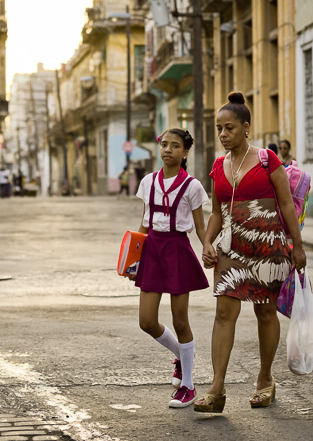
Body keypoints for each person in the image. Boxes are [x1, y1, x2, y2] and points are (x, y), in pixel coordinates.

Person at [197, 91, 306, 413]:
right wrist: (206, 242)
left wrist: (297, 246)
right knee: (223, 314)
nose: (223, 134)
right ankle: (217, 388)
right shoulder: (218, 165)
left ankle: (264, 379)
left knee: (264, 312)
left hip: (268, 246)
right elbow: (216, 212)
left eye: (229, 128)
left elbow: (286, 203)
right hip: (231, 248)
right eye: (219, 128)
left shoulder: (266, 160)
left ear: (246, 127)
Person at [133, 128, 210, 408]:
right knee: (146, 321)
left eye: (175, 146)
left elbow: (201, 227)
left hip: (177, 250)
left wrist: (208, 246)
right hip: (152, 249)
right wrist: (134, 257)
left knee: (180, 321)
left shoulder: (192, 186)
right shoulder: (148, 182)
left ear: (184, 152)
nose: (168, 150)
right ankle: (181, 354)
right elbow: (145, 221)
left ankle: (188, 386)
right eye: (164, 145)